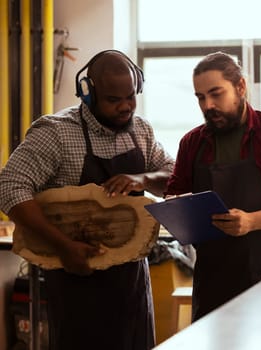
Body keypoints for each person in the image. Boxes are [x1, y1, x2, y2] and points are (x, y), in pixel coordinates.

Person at [0, 50, 175, 350]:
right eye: (113, 100)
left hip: (132, 280)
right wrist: (62, 246)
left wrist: (143, 179)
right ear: (88, 94)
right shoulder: (55, 133)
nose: (125, 107)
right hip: (76, 277)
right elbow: (10, 187)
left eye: (131, 96)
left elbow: (173, 175)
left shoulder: (141, 131)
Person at [165, 51, 261, 321]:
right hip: (214, 278)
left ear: (241, 87)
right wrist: (177, 209)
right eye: (201, 98)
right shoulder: (192, 143)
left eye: (216, 94)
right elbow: (175, 193)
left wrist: (251, 221)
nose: (208, 105)